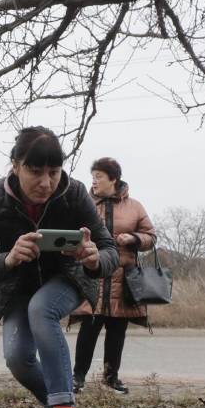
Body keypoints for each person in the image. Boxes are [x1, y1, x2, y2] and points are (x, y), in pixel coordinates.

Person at [0, 127, 119, 408]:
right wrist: (8, 259)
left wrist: (93, 257)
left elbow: (109, 250)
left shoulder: (74, 193)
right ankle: (54, 402)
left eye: (54, 171)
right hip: (16, 287)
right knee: (17, 359)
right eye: (35, 171)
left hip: (68, 278)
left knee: (42, 307)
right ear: (15, 165)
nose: (46, 183)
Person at [70, 158, 157, 395]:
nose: (94, 181)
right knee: (88, 328)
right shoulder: (84, 204)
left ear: (113, 179)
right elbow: (70, 233)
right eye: (93, 176)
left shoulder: (135, 206)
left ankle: (111, 378)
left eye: (99, 176)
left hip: (123, 280)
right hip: (92, 277)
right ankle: (77, 378)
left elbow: (151, 236)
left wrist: (134, 239)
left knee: (117, 331)